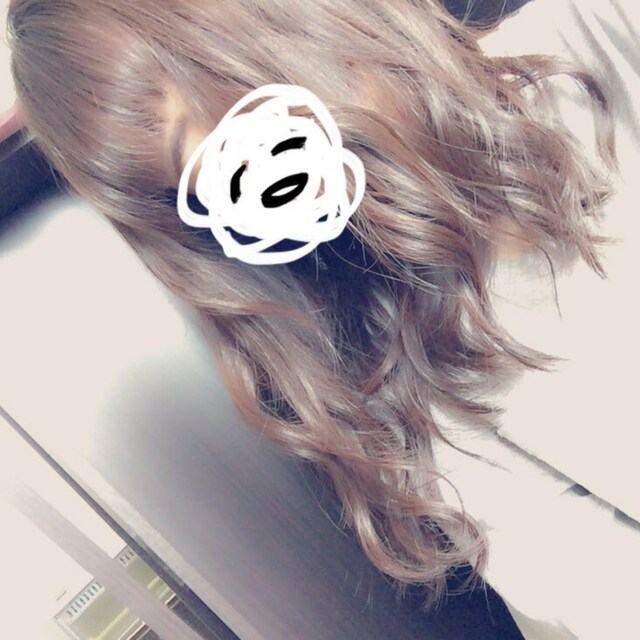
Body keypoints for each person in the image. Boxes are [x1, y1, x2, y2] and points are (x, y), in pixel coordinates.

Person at [7, 1, 640, 637]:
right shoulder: (406, 385)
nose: (269, 167)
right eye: (200, 173)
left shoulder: (602, 34)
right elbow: (590, 579)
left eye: (231, 88)